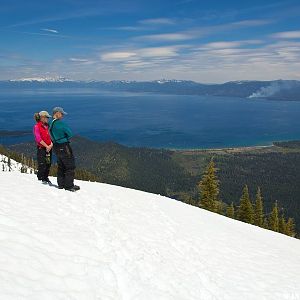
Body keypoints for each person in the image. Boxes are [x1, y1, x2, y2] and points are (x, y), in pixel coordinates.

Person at [49, 107, 80, 192]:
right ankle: (69, 186)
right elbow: (69, 133)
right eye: (62, 114)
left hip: (55, 146)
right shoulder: (60, 123)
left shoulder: (51, 123)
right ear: (57, 113)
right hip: (64, 146)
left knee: (61, 165)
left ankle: (61, 184)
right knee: (70, 165)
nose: (62, 116)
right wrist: (64, 138)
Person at [33, 111, 53, 184]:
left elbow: (50, 137)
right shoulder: (37, 126)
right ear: (42, 117)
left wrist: (51, 145)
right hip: (42, 149)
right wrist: (47, 146)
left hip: (49, 148)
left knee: (48, 163)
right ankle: (40, 179)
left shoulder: (47, 126)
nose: (48, 119)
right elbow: (38, 139)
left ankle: (45, 177)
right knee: (42, 164)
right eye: (47, 117)